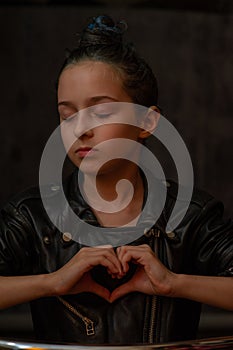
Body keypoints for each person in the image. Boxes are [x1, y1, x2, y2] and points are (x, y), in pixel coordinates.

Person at [0, 15, 232, 345]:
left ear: (147, 121)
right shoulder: (31, 215)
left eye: (102, 113)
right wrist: (52, 281)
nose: (81, 129)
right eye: (67, 116)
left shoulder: (192, 215)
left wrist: (173, 283)